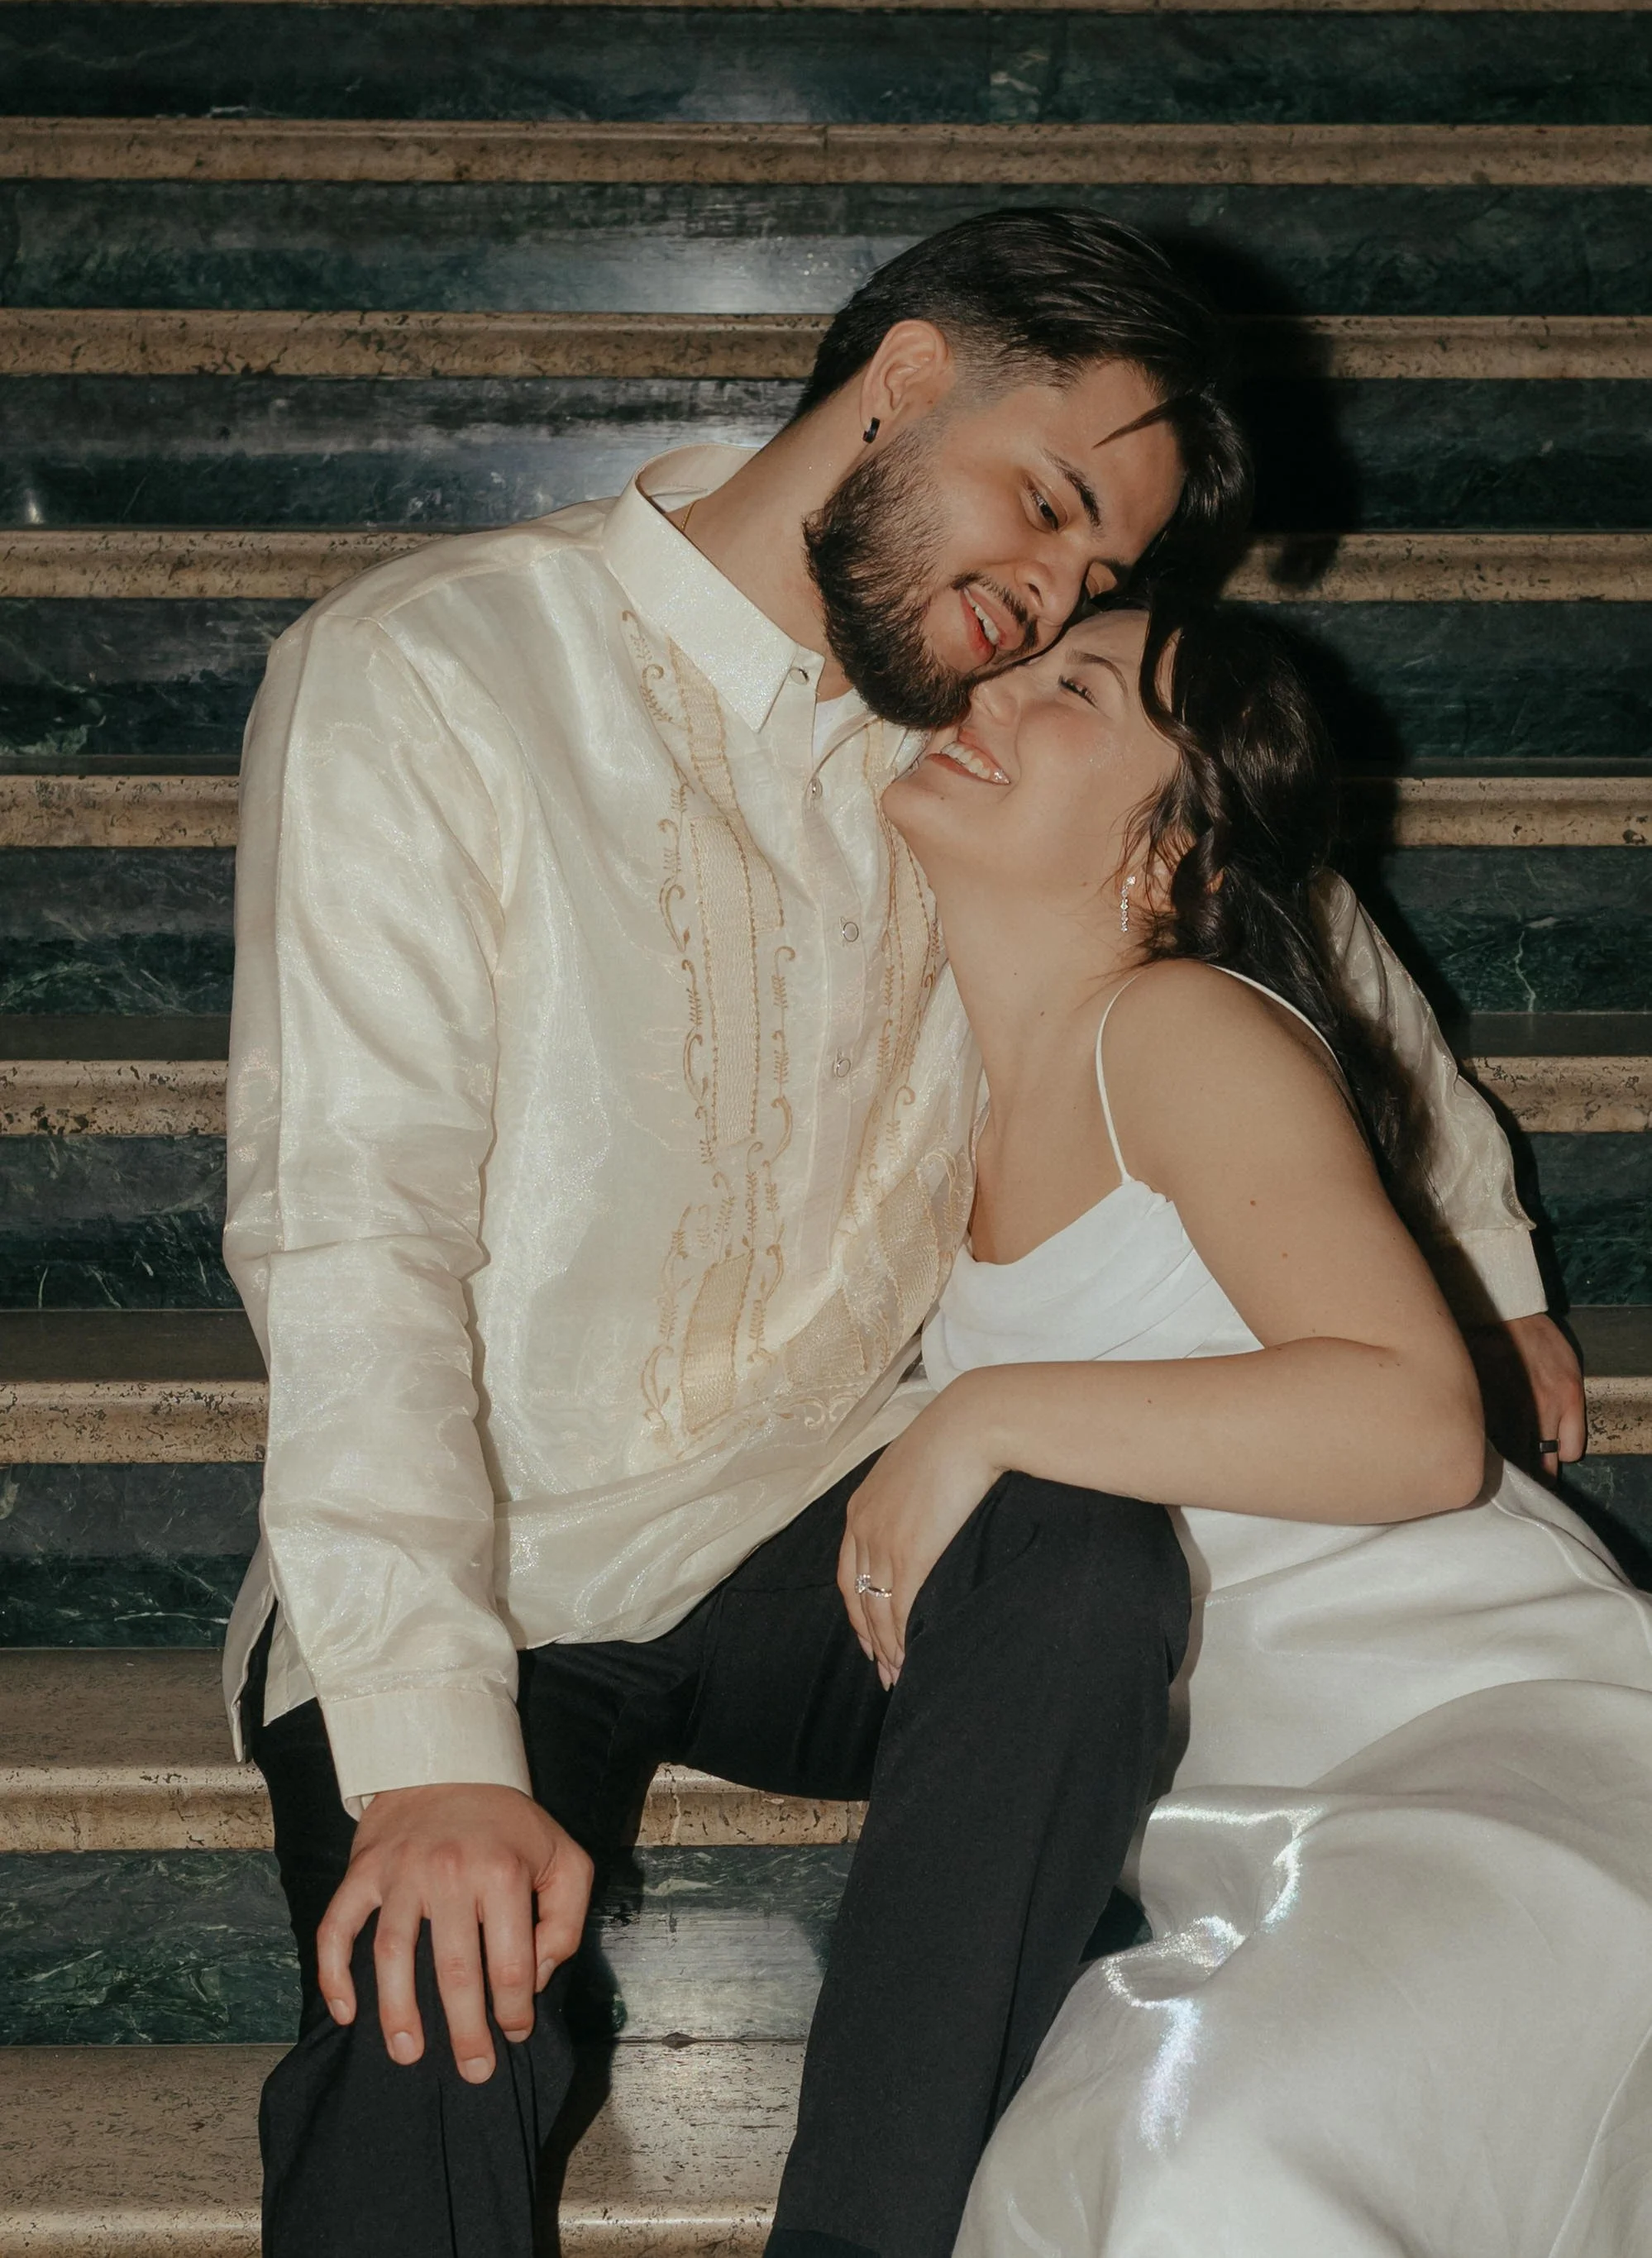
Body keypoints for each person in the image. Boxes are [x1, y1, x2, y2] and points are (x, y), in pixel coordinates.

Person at [218, 211, 1580, 2258]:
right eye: (1042, 503)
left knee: (1079, 1540)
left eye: (1091, 577)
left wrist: (1488, 1263)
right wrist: (428, 1753)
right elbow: (353, 1237)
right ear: (909, 376)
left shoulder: (974, 710)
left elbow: (1307, 949)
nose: (1042, 597)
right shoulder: (429, 671)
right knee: (433, 1994)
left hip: (813, 1524)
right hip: (492, 1543)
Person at [859, 600, 1652, 2257]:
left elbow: (1420, 1422)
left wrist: (986, 1418)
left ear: (1169, 859)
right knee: (1112, 2163)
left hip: (1492, 1735)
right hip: (1275, 1824)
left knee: (1224, 2160)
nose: (992, 692)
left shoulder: (1171, 1026)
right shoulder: (950, 1107)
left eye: (1070, 686)